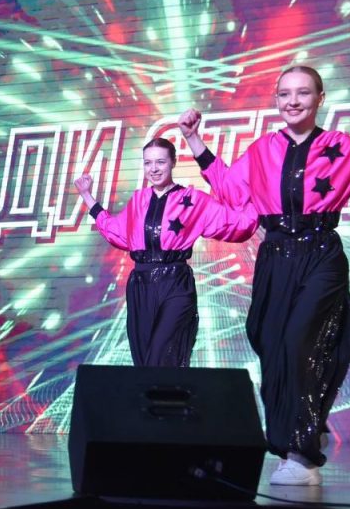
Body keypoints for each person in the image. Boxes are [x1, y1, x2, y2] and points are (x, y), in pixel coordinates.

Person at [179, 65, 350, 485]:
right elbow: (232, 190)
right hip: (275, 256)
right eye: (285, 93)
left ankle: (301, 453)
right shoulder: (262, 150)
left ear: (320, 98)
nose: (293, 101)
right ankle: (299, 432)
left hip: (321, 255)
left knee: (300, 342)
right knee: (270, 344)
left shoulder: (345, 148)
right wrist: (194, 140)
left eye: (303, 93)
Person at [74, 138, 257, 368]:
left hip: (175, 284)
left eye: (160, 162)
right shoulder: (138, 200)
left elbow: (238, 224)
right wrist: (87, 196)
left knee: (162, 357)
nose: (154, 169)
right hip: (141, 285)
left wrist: (257, 196)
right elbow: (116, 231)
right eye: (148, 163)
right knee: (144, 363)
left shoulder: (193, 199)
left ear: (173, 162)